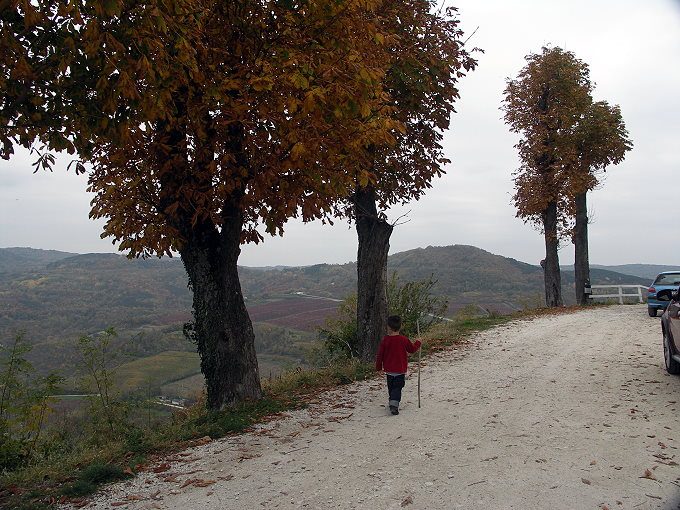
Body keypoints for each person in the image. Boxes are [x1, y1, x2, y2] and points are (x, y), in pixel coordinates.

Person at [375, 315, 422, 415]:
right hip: (400, 369)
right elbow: (412, 349)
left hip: (389, 369)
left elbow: (380, 355)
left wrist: (378, 367)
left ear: (388, 327)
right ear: (401, 326)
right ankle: (394, 406)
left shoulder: (385, 340)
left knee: (391, 387)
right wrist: (418, 343)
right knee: (397, 388)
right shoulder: (403, 339)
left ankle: (392, 402)